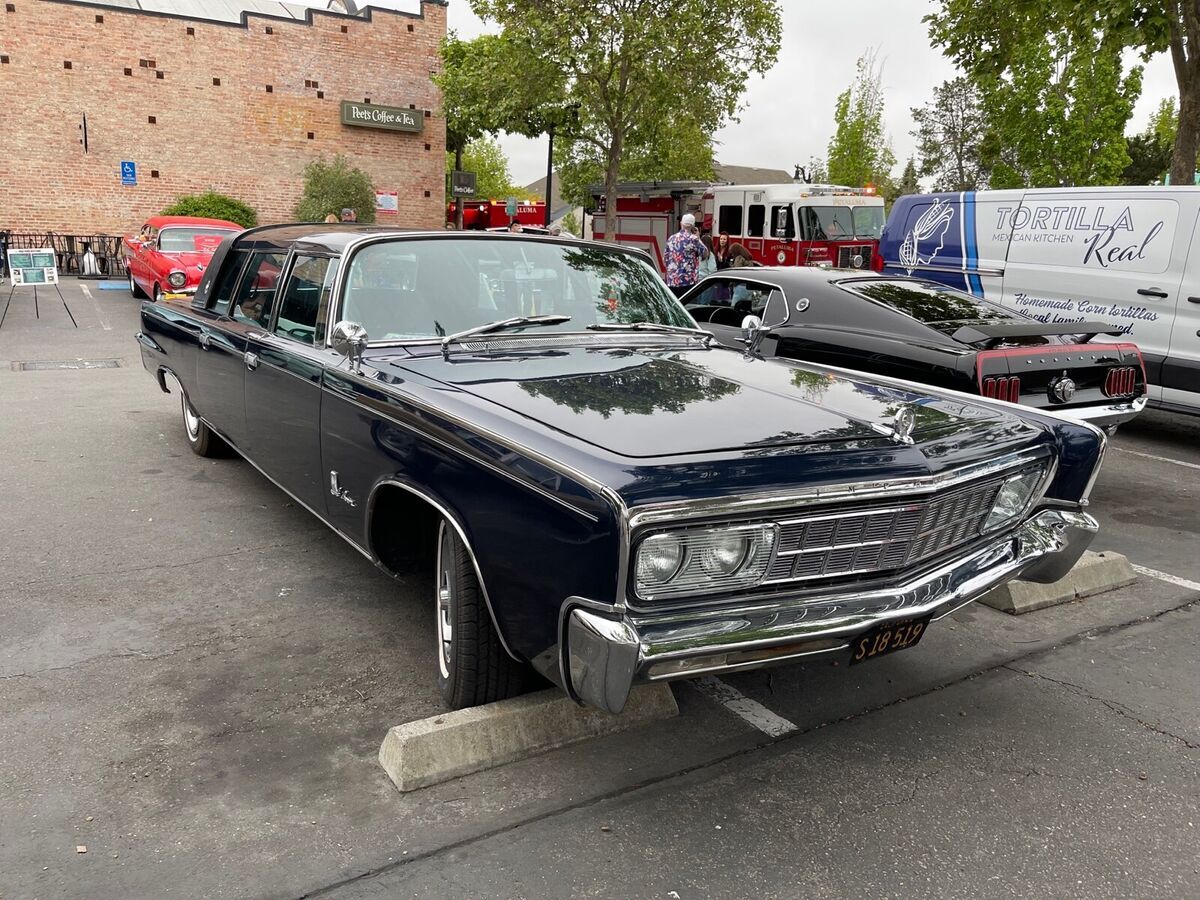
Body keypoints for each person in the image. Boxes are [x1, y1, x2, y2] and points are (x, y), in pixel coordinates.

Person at [663, 213, 708, 298]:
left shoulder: (671, 238)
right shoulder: (694, 239)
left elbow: (664, 259)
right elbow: (705, 254)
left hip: (672, 281)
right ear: (693, 226)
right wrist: (698, 237)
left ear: (681, 224)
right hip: (688, 282)